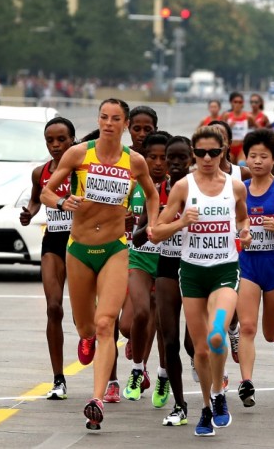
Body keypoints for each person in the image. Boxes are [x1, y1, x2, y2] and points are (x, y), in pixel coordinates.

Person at [40, 99, 160, 432]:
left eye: (115, 118)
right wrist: (62, 201)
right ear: (98, 120)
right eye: (104, 117)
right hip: (78, 249)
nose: (108, 123)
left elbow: (152, 195)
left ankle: (96, 399)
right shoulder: (79, 154)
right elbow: (47, 192)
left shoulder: (134, 161)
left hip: (114, 249)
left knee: (106, 323)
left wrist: (152, 223)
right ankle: (86, 337)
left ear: (125, 124)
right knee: (86, 326)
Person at [150, 127, 251, 437]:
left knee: (217, 334)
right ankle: (207, 407)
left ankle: (219, 394)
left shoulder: (235, 186)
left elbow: (243, 217)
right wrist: (182, 221)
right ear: (194, 153)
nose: (207, 158)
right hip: (192, 273)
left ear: (223, 152)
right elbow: (156, 232)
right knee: (202, 351)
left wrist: (244, 232)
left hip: (224, 271)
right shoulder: (184, 186)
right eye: (202, 153)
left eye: (214, 152)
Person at [236, 129, 274, 408]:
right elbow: (233, 224)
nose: (257, 161)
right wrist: (241, 234)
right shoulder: (239, 189)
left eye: (264, 156)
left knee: (269, 332)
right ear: (246, 158)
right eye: (253, 156)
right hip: (248, 265)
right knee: (247, 326)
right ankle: (246, 382)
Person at [19, 117, 77, 400]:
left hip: (81, 243)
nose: (55, 145)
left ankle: (91, 342)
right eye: (50, 140)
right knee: (54, 308)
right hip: (53, 241)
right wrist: (29, 213)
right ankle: (58, 379)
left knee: (84, 316)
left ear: (72, 140)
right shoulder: (40, 173)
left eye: (61, 140)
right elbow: (36, 200)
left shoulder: (83, 170)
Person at [122, 131, 172, 405]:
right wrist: (127, 222)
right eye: (152, 157)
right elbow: (122, 219)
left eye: (164, 158)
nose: (158, 163)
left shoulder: (180, 188)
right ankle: (137, 370)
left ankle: (163, 376)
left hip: (167, 260)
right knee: (137, 315)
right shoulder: (134, 184)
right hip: (139, 257)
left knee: (164, 323)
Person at [148, 136, 194, 427]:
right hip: (166, 265)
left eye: (181, 158)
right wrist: (138, 229)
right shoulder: (156, 192)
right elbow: (148, 232)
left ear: (191, 158)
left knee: (193, 343)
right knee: (169, 340)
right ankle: (180, 405)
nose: (175, 163)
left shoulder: (200, 190)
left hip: (195, 266)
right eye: (170, 158)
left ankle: (212, 384)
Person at [224, 92, 252, 163]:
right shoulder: (226, 115)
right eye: (235, 102)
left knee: (241, 164)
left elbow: (259, 128)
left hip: (242, 146)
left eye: (240, 102)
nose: (237, 104)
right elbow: (219, 131)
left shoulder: (248, 116)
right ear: (231, 103)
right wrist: (228, 127)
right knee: (229, 166)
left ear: (243, 103)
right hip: (230, 146)